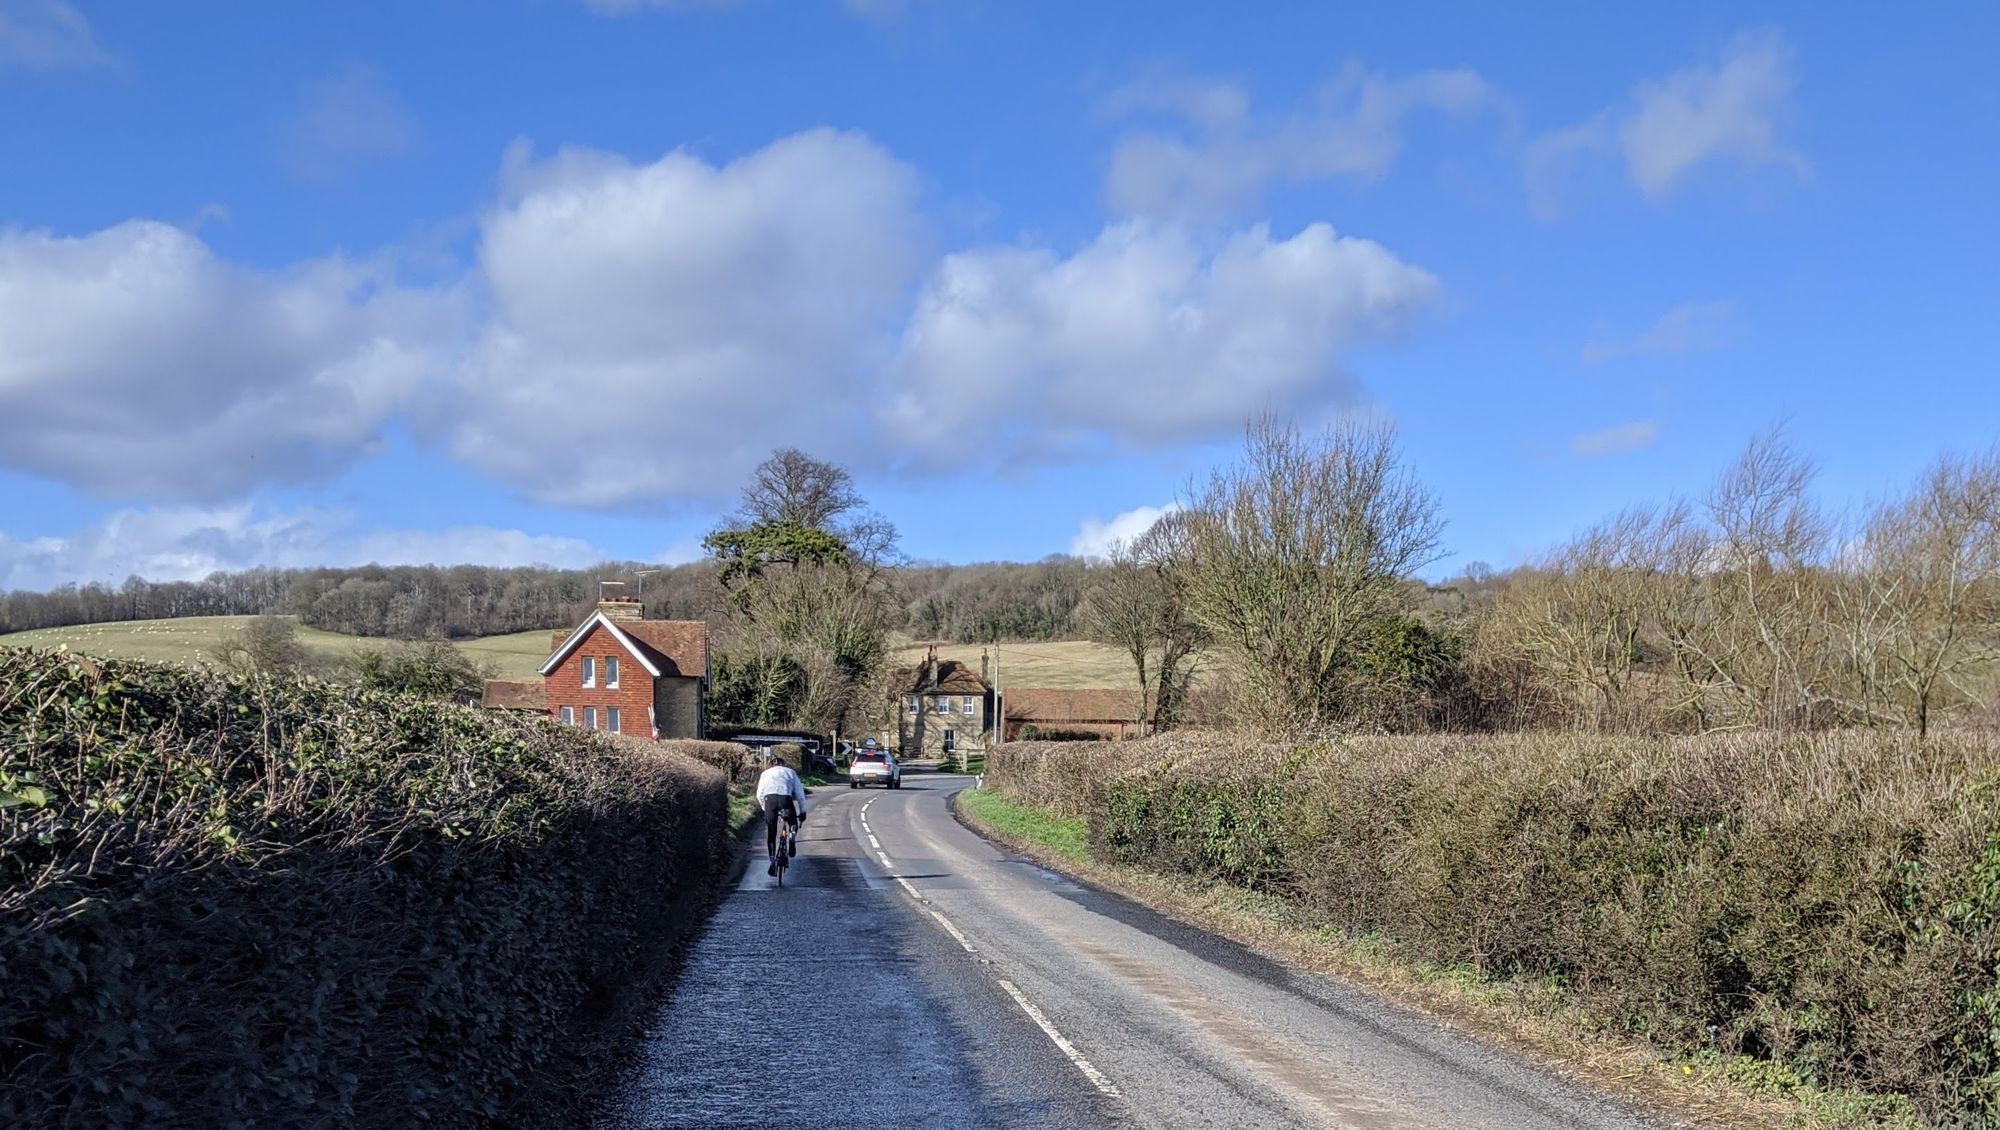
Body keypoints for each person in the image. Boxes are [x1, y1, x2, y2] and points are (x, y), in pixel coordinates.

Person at [755, 757, 807, 877]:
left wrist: (765, 808)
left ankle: (772, 862)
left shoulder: (765, 773)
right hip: (785, 798)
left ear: (770, 765)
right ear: (783, 764)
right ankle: (792, 838)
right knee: (793, 822)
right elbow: (799, 794)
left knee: (771, 832)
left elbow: (759, 795)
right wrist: (803, 811)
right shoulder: (790, 772)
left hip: (770, 800)